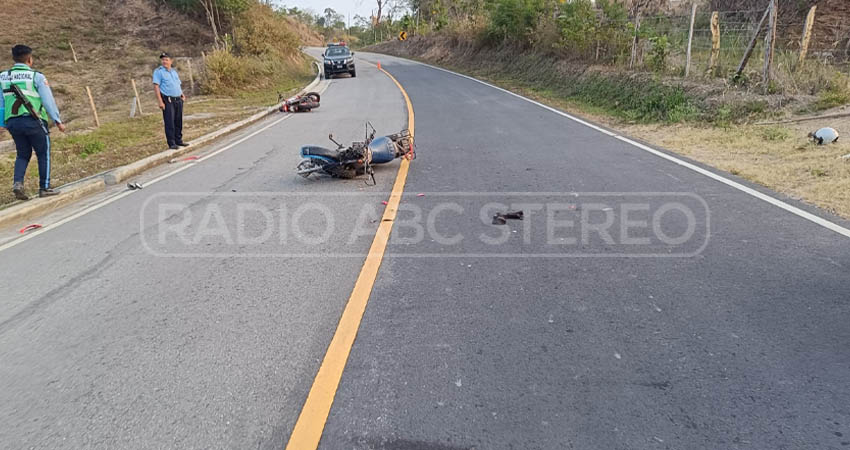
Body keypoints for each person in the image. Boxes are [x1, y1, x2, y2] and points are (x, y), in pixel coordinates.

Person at [0, 45, 66, 200]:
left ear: (14, 58)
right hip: (34, 120)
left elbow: (1, 103)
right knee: (43, 152)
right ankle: (45, 187)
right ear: (29, 59)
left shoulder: (3, 77)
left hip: (13, 123)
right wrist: (57, 120)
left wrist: (2, 123)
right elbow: (48, 101)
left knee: (22, 154)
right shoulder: (36, 76)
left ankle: (18, 184)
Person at [152, 52, 188, 150]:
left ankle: (179, 140)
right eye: (163, 60)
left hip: (178, 99)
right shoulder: (158, 72)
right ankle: (171, 143)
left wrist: (182, 94)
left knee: (178, 121)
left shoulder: (173, 72)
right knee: (170, 122)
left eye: (166, 59)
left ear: (171, 61)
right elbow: (156, 86)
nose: (164, 61)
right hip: (168, 100)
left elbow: (177, 84)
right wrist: (160, 101)